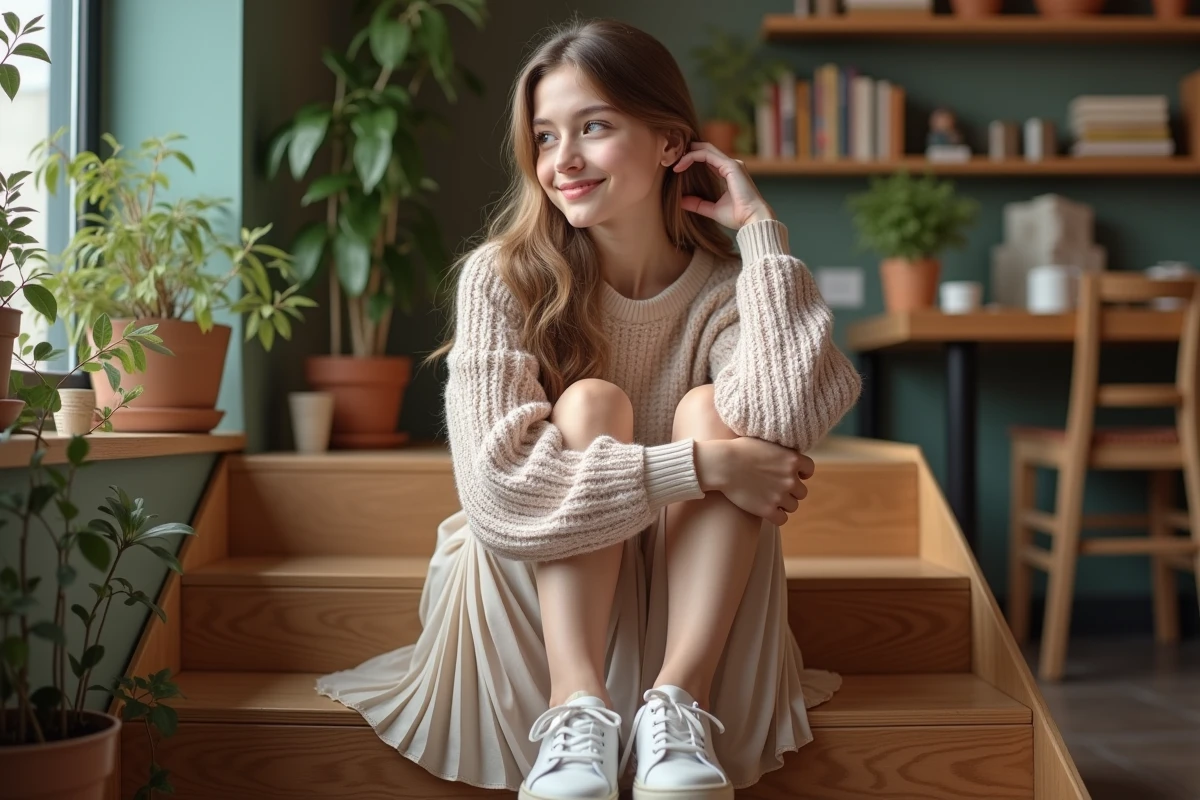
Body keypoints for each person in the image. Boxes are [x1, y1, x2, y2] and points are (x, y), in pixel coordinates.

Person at [315, 16, 862, 800]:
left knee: (715, 406)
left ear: (671, 144)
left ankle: (680, 705)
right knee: (592, 404)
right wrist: (704, 465)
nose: (562, 161)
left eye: (594, 128)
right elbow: (502, 495)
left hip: (688, 589)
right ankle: (575, 714)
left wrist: (761, 237)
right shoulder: (502, 279)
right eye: (544, 138)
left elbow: (781, 428)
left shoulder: (725, 292)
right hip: (536, 575)